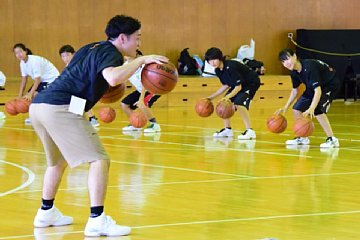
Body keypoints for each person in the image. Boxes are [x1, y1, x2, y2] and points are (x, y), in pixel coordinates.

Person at [30, 15, 168, 237]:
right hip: (59, 106)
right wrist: (143, 60)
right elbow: (112, 78)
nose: (139, 44)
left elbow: (79, 80)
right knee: (100, 159)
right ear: (123, 38)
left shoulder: (90, 47)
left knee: (57, 162)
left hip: (40, 105)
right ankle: (97, 220)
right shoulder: (111, 52)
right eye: (137, 38)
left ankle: (46, 213)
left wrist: (83, 112)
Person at [277, 48, 340, 148]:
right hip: (315, 87)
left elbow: (318, 90)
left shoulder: (309, 67)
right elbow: (294, 91)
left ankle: (332, 139)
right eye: (283, 62)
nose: (286, 63)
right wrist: (285, 107)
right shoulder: (294, 72)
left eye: (287, 59)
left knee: (318, 109)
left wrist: (311, 108)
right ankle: (302, 137)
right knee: (296, 108)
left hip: (330, 84)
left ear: (295, 56)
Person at [204, 47, 260, 140]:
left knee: (239, 103)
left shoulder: (230, 67)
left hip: (250, 83)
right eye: (209, 61)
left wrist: (227, 97)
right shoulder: (218, 70)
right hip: (239, 84)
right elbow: (226, 85)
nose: (212, 63)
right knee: (225, 103)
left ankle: (250, 131)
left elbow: (239, 87)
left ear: (220, 58)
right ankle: (227, 129)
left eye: (214, 59)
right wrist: (210, 98)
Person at [13, 43, 59, 124]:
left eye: (20, 52)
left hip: (52, 79)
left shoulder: (34, 61)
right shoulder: (22, 63)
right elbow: (24, 79)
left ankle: (39, 117)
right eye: (16, 53)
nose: (18, 54)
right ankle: (34, 116)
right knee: (26, 97)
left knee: (33, 95)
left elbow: (37, 79)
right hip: (42, 80)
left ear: (26, 51)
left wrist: (31, 94)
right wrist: (20, 95)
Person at [59, 45, 100, 127]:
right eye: (63, 56)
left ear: (73, 54)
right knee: (75, 103)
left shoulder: (79, 63)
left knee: (78, 101)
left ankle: (91, 119)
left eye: (67, 55)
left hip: (86, 86)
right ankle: (87, 119)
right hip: (77, 87)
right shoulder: (67, 67)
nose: (65, 58)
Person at [121, 49, 161, 133]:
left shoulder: (143, 65)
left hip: (152, 88)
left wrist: (141, 99)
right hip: (140, 90)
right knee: (124, 104)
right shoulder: (125, 66)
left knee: (142, 104)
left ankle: (155, 125)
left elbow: (144, 82)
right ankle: (135, 124)